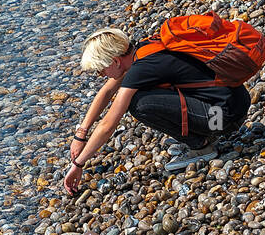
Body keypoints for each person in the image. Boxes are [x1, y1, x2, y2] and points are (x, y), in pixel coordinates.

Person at [64, 25, 254, 192]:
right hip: (234, 103)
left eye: (101, 70)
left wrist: (79, 164)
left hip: (224, 118)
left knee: (139, 104)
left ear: (115, 61)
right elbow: (106, 92)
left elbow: (108, 125)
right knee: (141, 94)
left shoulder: (141, 69)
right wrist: (81, 134)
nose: (101, 75)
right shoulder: (145, 49)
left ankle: (201, 146)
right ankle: (201, 134)